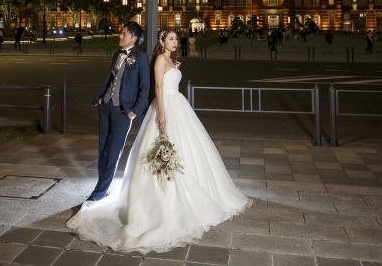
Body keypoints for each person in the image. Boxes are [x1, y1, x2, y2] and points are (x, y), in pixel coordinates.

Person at [67, 28, 251, 254]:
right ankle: (113, 192)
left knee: (188, 148)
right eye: (171, 39)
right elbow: (156, 88)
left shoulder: (172, 61)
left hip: (179, 106)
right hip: (165, 108)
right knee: (146, 148)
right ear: (162, 42)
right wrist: (162, 112)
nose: (175, 43)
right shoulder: (159, 60)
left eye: (176, 39)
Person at [84, 21, 150, 202]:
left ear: (133, 38)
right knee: (103, 150)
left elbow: (145, 87)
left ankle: (98, 193)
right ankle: (102, 188)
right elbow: (111, 80)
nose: (120, 36)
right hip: (105, 107)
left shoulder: (141, 57)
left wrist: (134, 112)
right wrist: (101, 97)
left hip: (123, 112)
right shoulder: (117, 54)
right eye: (121, 33)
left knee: (114, 152)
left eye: (123, 34)